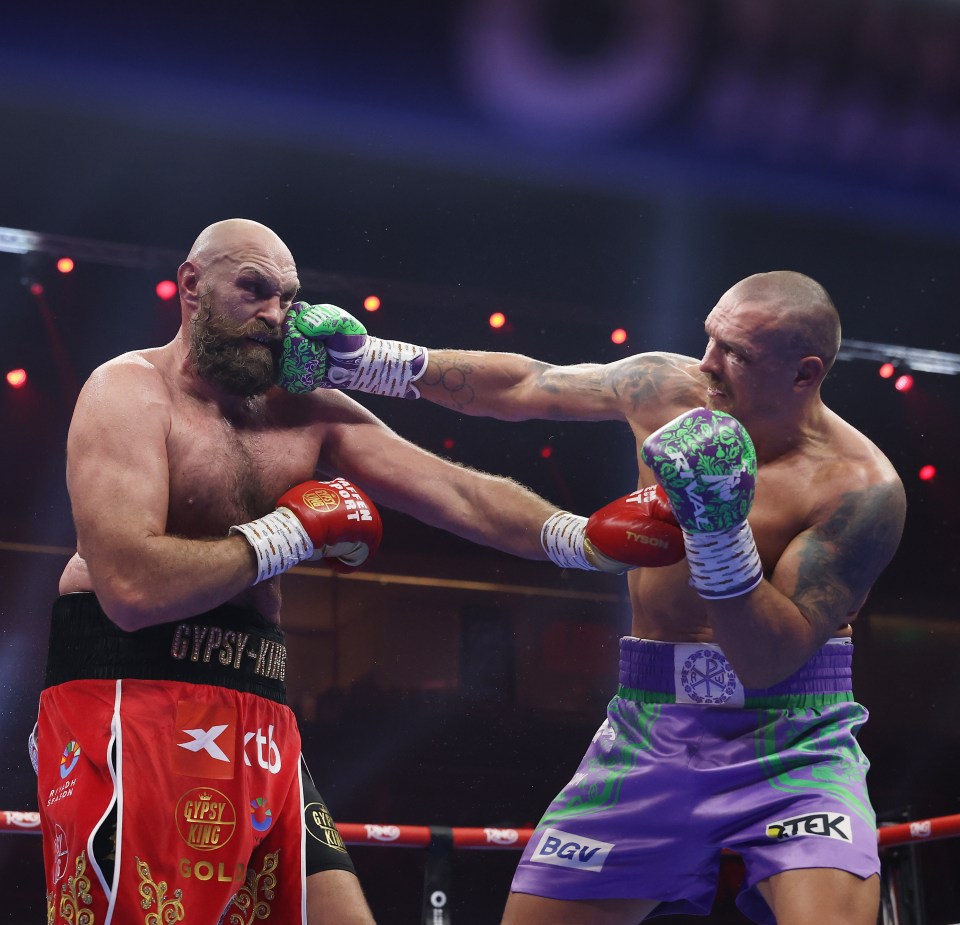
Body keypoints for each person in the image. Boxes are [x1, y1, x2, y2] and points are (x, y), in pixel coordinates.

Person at [35, 218, 684, 925]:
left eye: (287, 298)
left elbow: (457, 490)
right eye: (253, 290)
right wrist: (288, 533)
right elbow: (131, 591)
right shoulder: (127, 391)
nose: (275, 316)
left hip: (259, 707)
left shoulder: (303, 406)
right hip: (132, 696)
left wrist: (581, 538)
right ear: (191, 286)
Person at [279, 270, 906, 925]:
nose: (708, 364)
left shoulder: (860, 490)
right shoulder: (669, 388)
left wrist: (717, 530)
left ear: (805, 374)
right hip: (654, 728)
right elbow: (524, 384)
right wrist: (368, 361)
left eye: (737, 354)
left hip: (794, 739)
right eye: (710, 338)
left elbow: (767, 658)